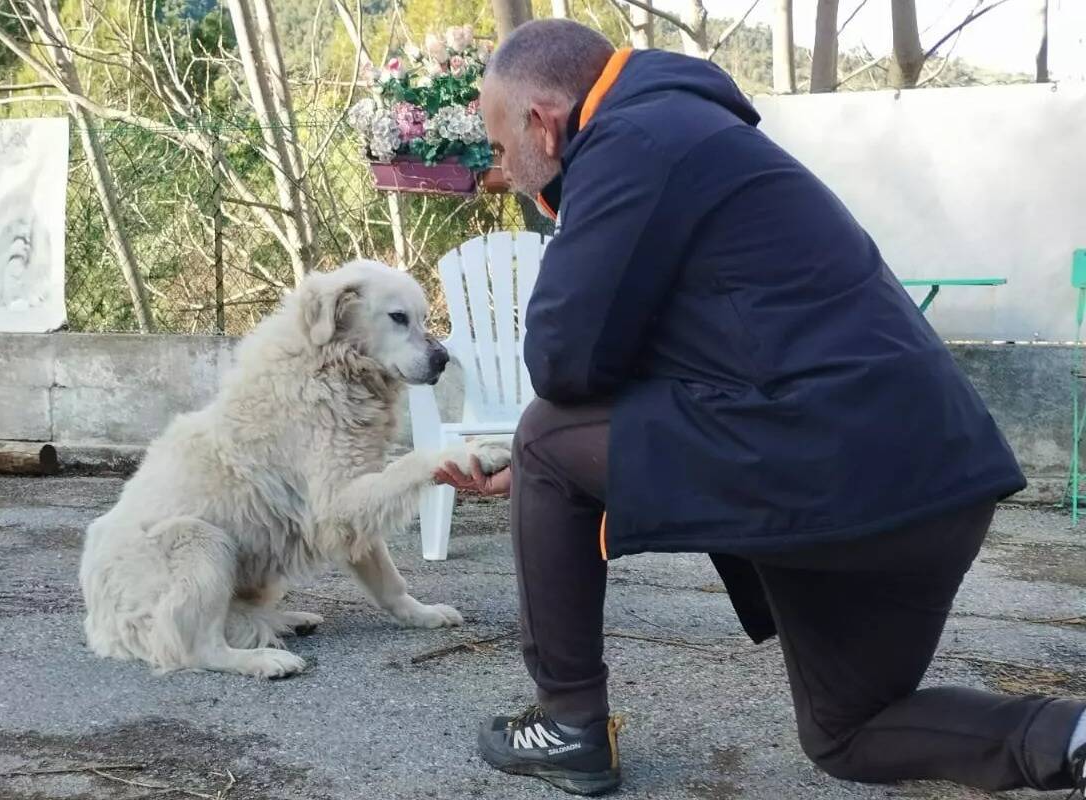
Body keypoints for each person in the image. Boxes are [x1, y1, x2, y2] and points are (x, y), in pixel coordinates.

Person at [433, 17, 1086, 798]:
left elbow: (561, 360)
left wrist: (565, 207)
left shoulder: (633, 140)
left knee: (541, 436)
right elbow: (683, 355)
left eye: (503, 149)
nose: (504, 172)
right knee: (849, 734)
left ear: (544, 120)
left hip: (832, 463)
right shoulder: (689, 131)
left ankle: (568, 723)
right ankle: (1072, 738)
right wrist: (565, 472)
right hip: (932, 489)